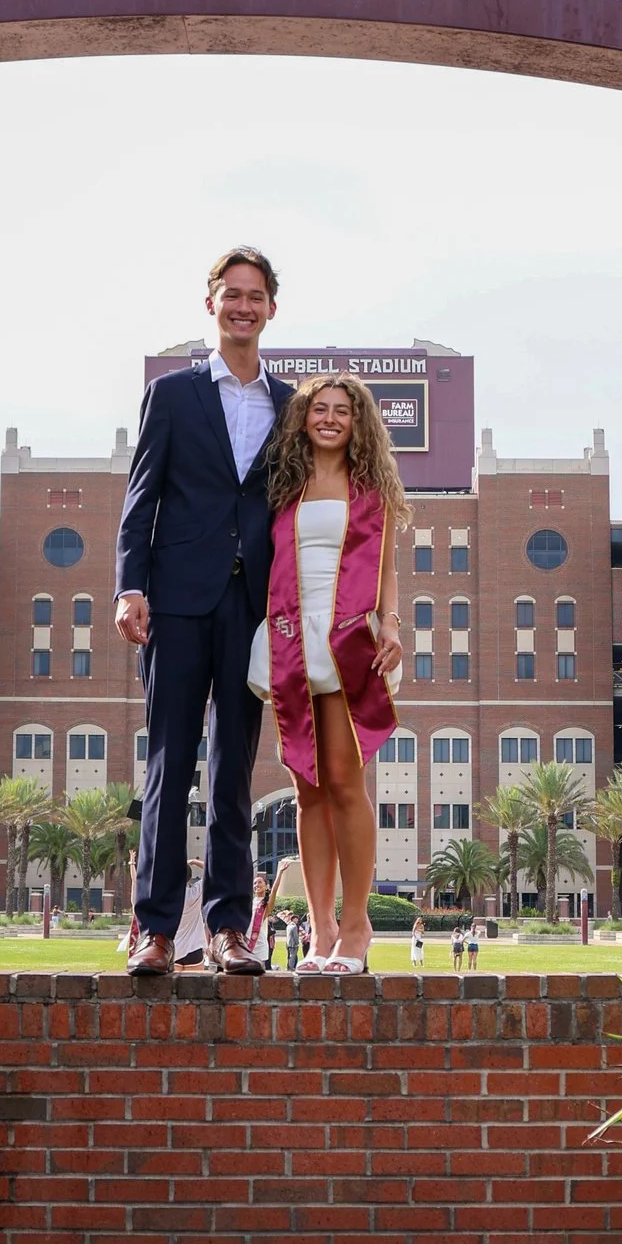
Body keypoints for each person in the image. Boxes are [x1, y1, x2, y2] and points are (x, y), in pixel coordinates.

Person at [115, 245, 293, 978]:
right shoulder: (172, 395)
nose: (243, 306)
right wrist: (130, 587)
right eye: (232, 294)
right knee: (169, 761)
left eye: (256, 296)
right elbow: (141, 498)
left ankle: (226, 927)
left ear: (272, 308)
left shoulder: (292, 405)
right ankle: (156, 931)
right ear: (211, 302)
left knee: (233, 772)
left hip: (251, 608)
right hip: (178, 599)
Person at [249, 372, 406, 976]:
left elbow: (386, 567)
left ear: (357, 421)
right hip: (290, 634)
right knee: (306, 788)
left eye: (343, 410)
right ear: (304, 418)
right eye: (320, 408)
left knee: (343, 780)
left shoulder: (371, 488)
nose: (331, 418)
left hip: (349, 636)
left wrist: (391, 624)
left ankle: (357, 925)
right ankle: (321, 931)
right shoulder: (282, 483)